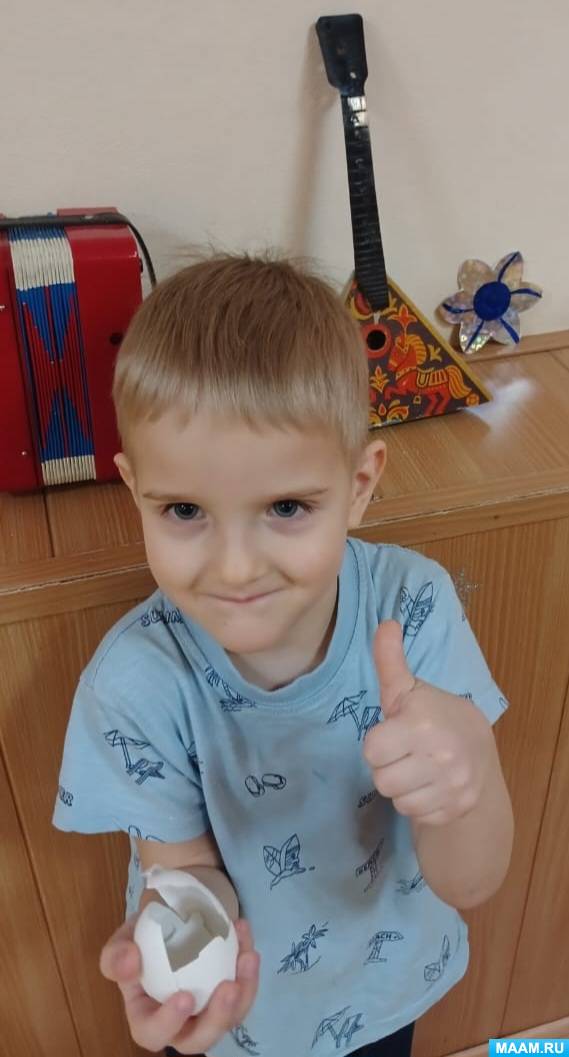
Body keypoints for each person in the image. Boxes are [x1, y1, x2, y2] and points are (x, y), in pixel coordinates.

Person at [53, 253, 514, 1057]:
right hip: (244, 1021)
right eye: (185, 510)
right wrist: (176, 945)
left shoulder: (412, 610)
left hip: (382, 990)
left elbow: (471, 881)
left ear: (359, 484)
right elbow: (186, 869)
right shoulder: (135, 683)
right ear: (135, 491)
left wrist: (467, 772)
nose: (235, 568)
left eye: (287, 506)